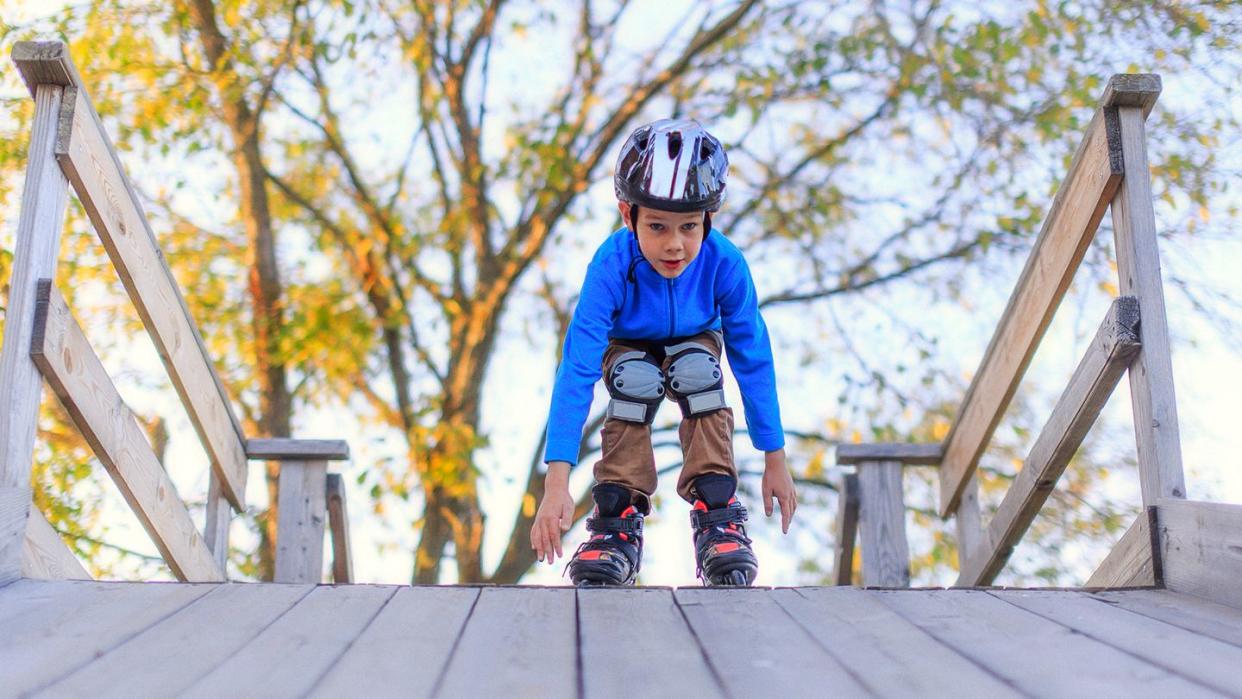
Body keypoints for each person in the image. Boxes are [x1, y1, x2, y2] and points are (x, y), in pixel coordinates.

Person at [529, 118, 797, 586]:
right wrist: (556, 484)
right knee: (633, 378)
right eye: (656, 226)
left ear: (709, 219)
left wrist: (775, 456)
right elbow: (577, 369)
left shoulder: (725, 262)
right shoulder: (611, 265)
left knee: (698, 371)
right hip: (627, 343)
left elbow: (752, 356)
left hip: (696, 338)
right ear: (626, 214)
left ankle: (717, 513)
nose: (674, 244)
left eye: (689, 227)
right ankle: (617, 519)